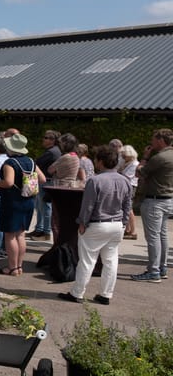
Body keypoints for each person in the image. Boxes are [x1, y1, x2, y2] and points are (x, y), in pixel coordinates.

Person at [58, 146, 132, 305]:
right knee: (111, 261)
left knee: (87, 261)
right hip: (116, 225)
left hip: (97, 224)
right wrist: (124, 223)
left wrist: (82, 222)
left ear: (100, 161)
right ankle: (106, 294)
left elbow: (88, 206)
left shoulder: (95, 180)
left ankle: (77, 293)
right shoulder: (125, 180)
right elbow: (127, 205)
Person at [0, 133, 46, 276]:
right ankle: (19, 266)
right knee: (21, 235)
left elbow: (8, 182)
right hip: (28, 200)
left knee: (10, 235)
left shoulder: (10, 163)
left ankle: (12, 267)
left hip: (12, 202)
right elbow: (42, 179)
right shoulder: (31, 161)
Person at [131, 128, 173, 282]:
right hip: (168, 199)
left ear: (161, 140)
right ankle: (162, 268)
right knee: (162, 235)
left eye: (153, 139)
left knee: (153, 238)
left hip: (154, 201)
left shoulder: (159, 157)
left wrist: (145, 157)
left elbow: (138, 172)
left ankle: (153, 271)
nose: (151, 141)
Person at [29, 130, 60, 241]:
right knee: (40, 206)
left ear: (52, 140)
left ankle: (46, 232)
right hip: (44, 181)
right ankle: (39, 229)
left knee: (45, 207)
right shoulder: (51, 151)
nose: (43, 139)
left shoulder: (52, 152)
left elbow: (37, 163)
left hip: (47, 181)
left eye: (46, 138)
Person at [118, 145, 140, 240]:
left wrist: (118, 173)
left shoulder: (135, 164)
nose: (123, 157)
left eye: (124, 155)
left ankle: (133, 231)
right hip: (125, 186)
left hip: (131, 186)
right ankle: (128, 229)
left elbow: (127, 176)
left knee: (129, 209)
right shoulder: (126, 162)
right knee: (125, 208)